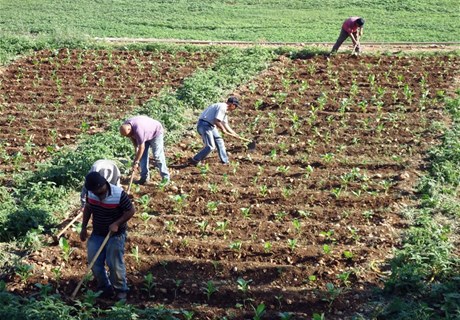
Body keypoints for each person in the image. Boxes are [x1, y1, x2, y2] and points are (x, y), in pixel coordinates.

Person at [79, 171, 135, 300]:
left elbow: (130, 210)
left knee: (114, 263)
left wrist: (117, 223)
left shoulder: (118, 193)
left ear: (103, 184)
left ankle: (121, 289)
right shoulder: (91, 193)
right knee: (94, 263)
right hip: (97, 232)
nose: (97, 193)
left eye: (98, 190)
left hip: (115, 234)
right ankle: (105, 287)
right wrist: (83, 228)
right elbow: (88, 208)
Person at [190, 96, 243, 165]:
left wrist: (235, 134)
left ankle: (225, 161)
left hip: (210, 125)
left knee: (219, 141)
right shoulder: (222, 107)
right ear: (232, 104)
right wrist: (223, 129)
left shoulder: (225, 110)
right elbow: (216, 121)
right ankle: (195, 160)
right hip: (204, 125)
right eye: (235, 106)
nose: (235, 109)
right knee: (211, 146)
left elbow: (225, 124)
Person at [119, 115, 170, 185]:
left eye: (128, 135)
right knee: (142, 157)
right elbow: (132, 139)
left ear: (129, 129)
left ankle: (166, 178)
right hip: (145, 133)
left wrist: (136, 162)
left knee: (157, 155)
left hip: (156, 132)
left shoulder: (138, 130)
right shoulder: (126, 126)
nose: (127, 137)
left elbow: (141, 147)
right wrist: (136, 150)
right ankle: (144, 179)